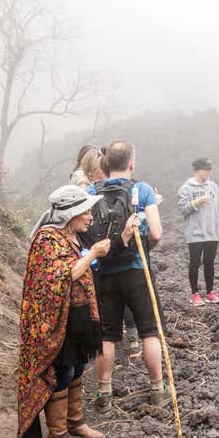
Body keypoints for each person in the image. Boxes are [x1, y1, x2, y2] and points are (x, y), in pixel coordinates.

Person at [18, 185, 111, 438]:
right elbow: (64, 275)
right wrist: (93, 254)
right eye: (86, 211)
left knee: (78, 366)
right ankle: (57, 436)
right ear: (71, 213)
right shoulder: (47, 239)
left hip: (74, 315)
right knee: (63, 370)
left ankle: (75, 422)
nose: (90, 216)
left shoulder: (68, 236)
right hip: (54, 321)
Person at [88, 141, 168, 412]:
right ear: (131, 163)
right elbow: (156, 233)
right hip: (136, 269)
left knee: (107, 335)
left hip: (104, 272)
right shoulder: (142, 189)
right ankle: (158, 388)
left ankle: (104, 393)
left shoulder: (91, 191)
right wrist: (143, 248)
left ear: (106, 163)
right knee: (148, 330)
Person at [76, 147, 141, 354]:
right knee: (106, 298)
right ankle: (105, 336)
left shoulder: (96, 189)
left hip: (101, 253)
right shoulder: (86, 191)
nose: (104, 174)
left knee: (110, 299)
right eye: (100, 170)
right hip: (98, 256)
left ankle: (120, 336)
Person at [177, 157, 219, 306]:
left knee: (209, 262)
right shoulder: (186, 188)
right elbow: (183, 209)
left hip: (212, 232)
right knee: (194, 263)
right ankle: (195, 294)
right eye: (206, 170)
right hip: (195, 233)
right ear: (198, 170)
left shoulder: (214, 187)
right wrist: (197, 202)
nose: (208, 173)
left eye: (209, 170)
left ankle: (210, 292)